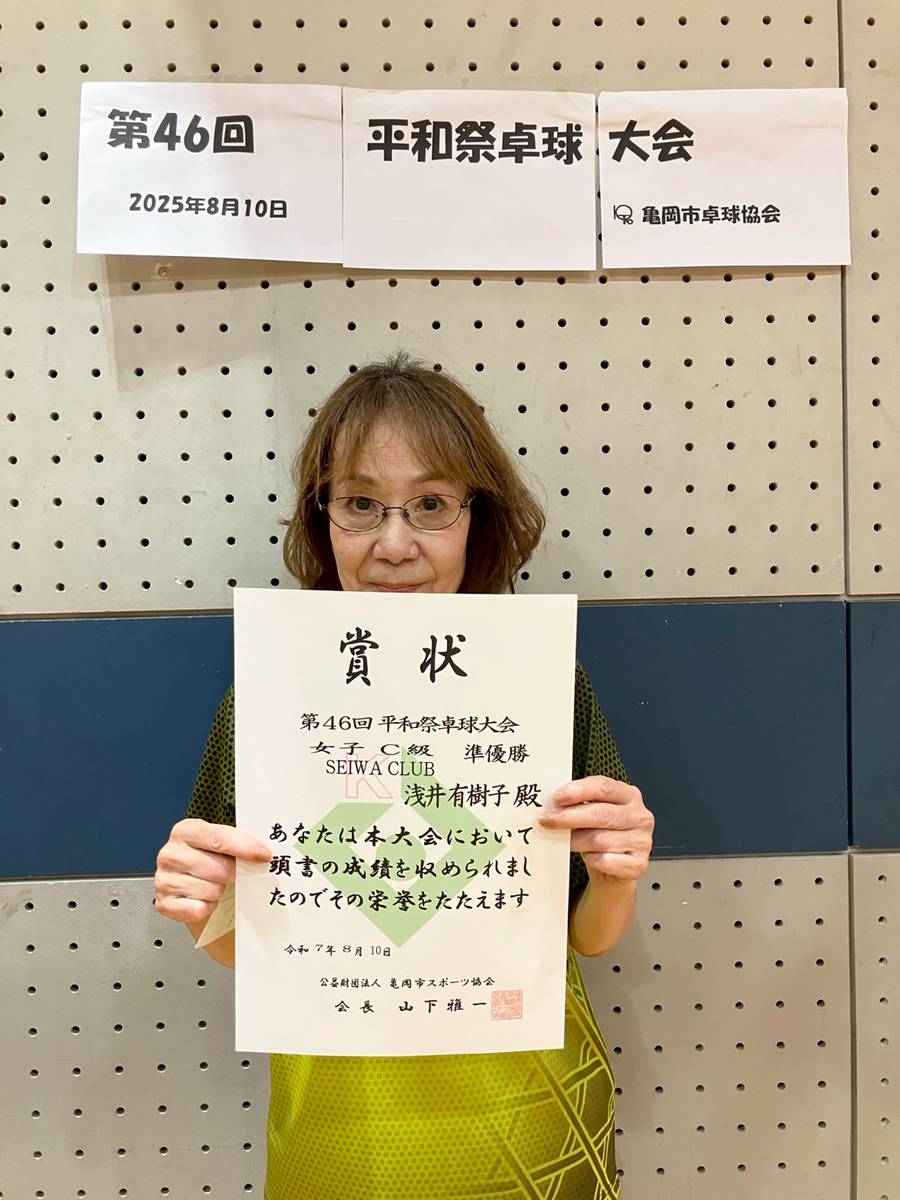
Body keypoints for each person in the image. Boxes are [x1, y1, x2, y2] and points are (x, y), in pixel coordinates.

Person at [154, 353, 654, 1200]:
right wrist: (203, 907)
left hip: (527, 1112)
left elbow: (588, 937)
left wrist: (616, 875)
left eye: (430, 505)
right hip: (338, 1121)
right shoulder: (270, 696)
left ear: (477, 519)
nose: (395, 544)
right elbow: (260, 953)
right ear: (321, 519)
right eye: (360, 504)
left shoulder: (542, 684)